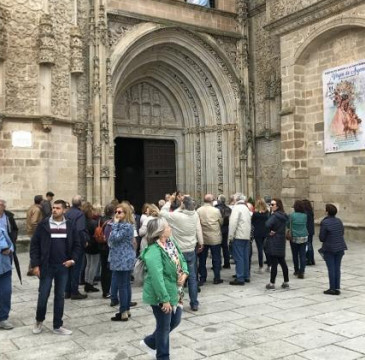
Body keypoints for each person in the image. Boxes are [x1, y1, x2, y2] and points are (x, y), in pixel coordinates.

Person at [140, 217, 188, 360]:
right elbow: (156, 277)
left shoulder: (171, 243)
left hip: (176, 291)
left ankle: (149, 342)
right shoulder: (153, 251)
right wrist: (164, 299)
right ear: (160, 232)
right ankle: (162, 356)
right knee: (164, 326)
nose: (170, 228)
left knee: (175, 320)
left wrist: (185, 273)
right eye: (167, 227)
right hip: (161, 294)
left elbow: (182, 260)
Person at [30, 200, 81, 335]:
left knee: (60, 296)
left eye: (58, 208)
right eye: (53, 208)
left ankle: (57, 325)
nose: (54, 210)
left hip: (63, 267)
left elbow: (77, 244)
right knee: (43, 295)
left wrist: (73, 260)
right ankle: (39, 320)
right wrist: (35, 265)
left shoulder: (70, 225)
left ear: (64, 210)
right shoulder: (44, 224)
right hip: (46, 266)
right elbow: (34, 245)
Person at [160, 195, 203, 311]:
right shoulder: (194, 215)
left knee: (177, 278)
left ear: (183, 205)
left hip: (179, 252)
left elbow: (162, 212)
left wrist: (169, 201)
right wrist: (201, 242)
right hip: (190, 249)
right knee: (192, 278)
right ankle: (194, 303)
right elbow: (198, 229)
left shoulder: (177, 217)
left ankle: (177, 302)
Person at [109, 203, 136, 321]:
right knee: (125, 284)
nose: (116, 214)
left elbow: (115, 238)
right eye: (116, 211)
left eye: (119, 212)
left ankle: (123, 311)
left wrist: (114, 225)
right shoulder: (123, 225)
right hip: (123, 258)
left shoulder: (125, 226)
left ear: (126, 213)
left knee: (122, 286)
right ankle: (127, 310)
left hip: (122, 259)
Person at [319, 204, 347, 295]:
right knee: (337, 268)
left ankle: (332, 288)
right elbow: (342, 232)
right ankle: (336, 287)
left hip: (329, 248)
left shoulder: (325, 222)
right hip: (340, 247)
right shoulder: (339, 221)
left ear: (327, 212)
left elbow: (322, 238)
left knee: (331, 268)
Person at [65, 195, 89, 300]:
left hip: (66, 244)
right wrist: (84, 242)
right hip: (76, 245)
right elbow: (80, 230)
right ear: (80, 203)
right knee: (76, 268)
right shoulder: (80, 214)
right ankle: (74, 292)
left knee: (68, 268)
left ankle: (67, 291)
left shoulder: (67, 213)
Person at [197, 194, 223, 285]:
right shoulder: (216, 210)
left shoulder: (199, 210)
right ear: (211, 201)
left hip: (203, 238)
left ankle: (203, 278)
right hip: (215, 237)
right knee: (216, 258)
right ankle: (217, 277)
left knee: (202, 260)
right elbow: (221, 221)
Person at [265, 198, 289, 290]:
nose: (271, 206)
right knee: (282, 262)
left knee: (274, 262)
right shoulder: (284, 215)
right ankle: (286, 282)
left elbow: (267, 224)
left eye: (272, 204)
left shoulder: (274, 216)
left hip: (274, 240)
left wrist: (271, 230)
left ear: (277, 206)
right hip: (281, 240)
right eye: (270, 204)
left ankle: (272, 283)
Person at [228, 193, 252, 285]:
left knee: (239, 257)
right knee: (245, 256)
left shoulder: (237, 208)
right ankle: (246, 275)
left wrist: (230, 236)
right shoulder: (246, 208)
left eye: (233, 199)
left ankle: (240, 277)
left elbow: (233, 223)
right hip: (246, 236)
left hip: (238, 236)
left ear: (236, 199)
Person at [288, 200, 308, 279]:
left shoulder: (292, 215)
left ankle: (296, 270)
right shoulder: (305, 215)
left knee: (295, 254)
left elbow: (288, 224)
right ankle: (302, 271)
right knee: (302, 255)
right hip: (303, 236)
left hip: (294, 237)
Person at [82, 202, 99, 292]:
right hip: (94, 245)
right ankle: (90, 283)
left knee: (88, 264)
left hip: (87, 245)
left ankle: (87, 281)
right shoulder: (93, 222)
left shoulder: (83, 222)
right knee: (93, 265)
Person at [0, 225, 14, 330]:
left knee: (6, 292)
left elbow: (10, 244)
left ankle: (3, 318)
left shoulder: (1, 229)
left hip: (4, 267)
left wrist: (10, 250)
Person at [26, 195, 44, 276]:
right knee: (35, 250)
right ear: (40, 201)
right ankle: (31, 268)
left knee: (34, 249)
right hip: (34, 232)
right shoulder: (37, 209)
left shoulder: (31, 207)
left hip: (30, 232)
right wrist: (38, 232)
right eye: (42, 200)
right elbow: (34, 222)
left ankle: (31, 268)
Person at [252, 198, 270, 273]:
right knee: (266, 249)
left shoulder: (255, 214)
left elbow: (252, 222)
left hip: (258, 233)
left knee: (260, 249)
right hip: (265, 232)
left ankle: (261, 267)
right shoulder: (267, 213)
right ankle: (269, 266)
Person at [215, 194, 232, 269]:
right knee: (225, 246)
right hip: (226, 228)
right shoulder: (228, 208)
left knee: (217, 247)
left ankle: (217, 264)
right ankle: (227, 263)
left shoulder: (216, 208)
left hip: (218, 228)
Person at [303, 199, 315, 265]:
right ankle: (311, 259)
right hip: (311, 230)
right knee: (310, 244)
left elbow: (306, 223)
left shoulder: (305, 213)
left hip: (307, 231)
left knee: (308, 245)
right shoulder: (310, 212)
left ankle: (309, 259)